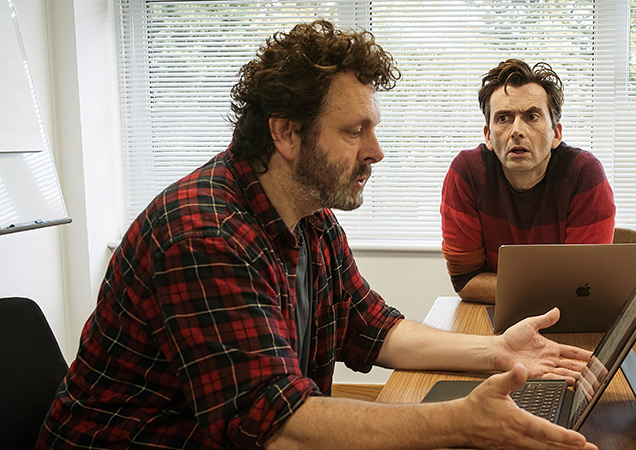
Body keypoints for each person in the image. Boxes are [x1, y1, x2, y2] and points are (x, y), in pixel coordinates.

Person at [36, 21, 599, 449]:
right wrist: (460, 422)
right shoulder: (205, 237)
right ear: (285, 132)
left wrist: (494, 351)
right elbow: (276, 428)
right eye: (356, 131)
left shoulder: (311, 218)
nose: (376, 151)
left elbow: (373, 328)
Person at [441, 59, 616, 303]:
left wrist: (511, 288)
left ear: (555, 134)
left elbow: (583, 285)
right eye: (503, 118)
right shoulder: (467, 174)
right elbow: (466, 281)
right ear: (488, 136)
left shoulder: (584, 174)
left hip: (566, 317)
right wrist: (553, 289)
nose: (517, 130)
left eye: (532, 117)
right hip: (496, 316)